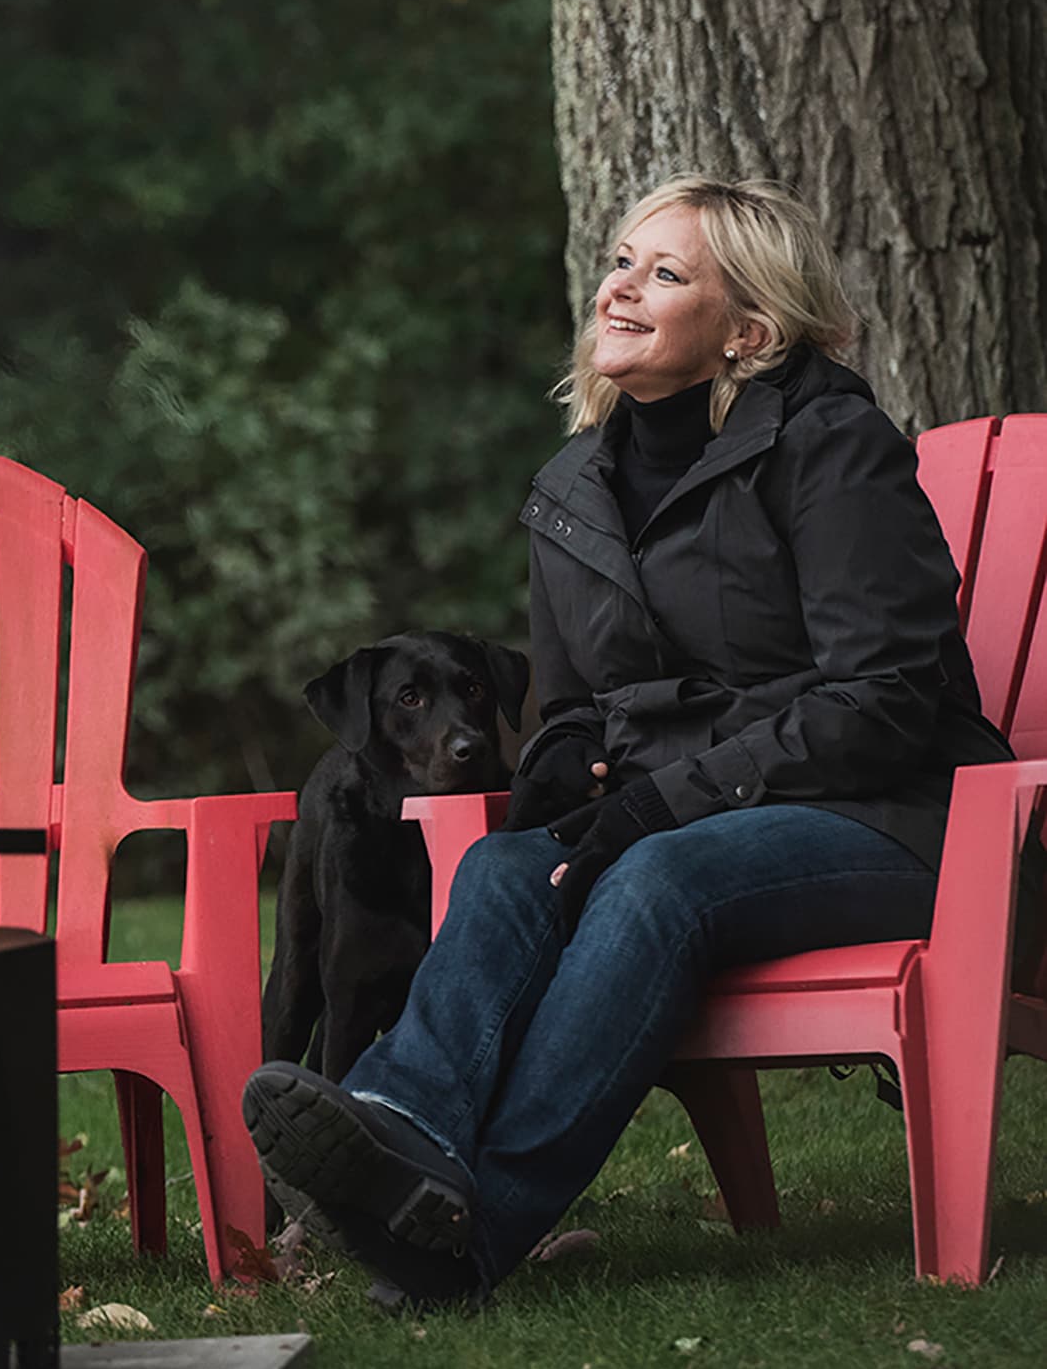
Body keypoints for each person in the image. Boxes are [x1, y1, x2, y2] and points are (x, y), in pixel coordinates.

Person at [243, 174, 1013, 1309]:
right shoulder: (573, 489)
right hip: (706, 810)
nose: (621, 287)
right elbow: (568, 713)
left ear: (747, 330)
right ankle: (400, 1132)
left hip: (902, 820)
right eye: (619, 260)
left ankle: (466, 1229)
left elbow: (887, 697)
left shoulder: (830, 447)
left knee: (658, 875)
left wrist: (662, 799)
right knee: (510, 861)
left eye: (666, 272)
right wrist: (565, 775)